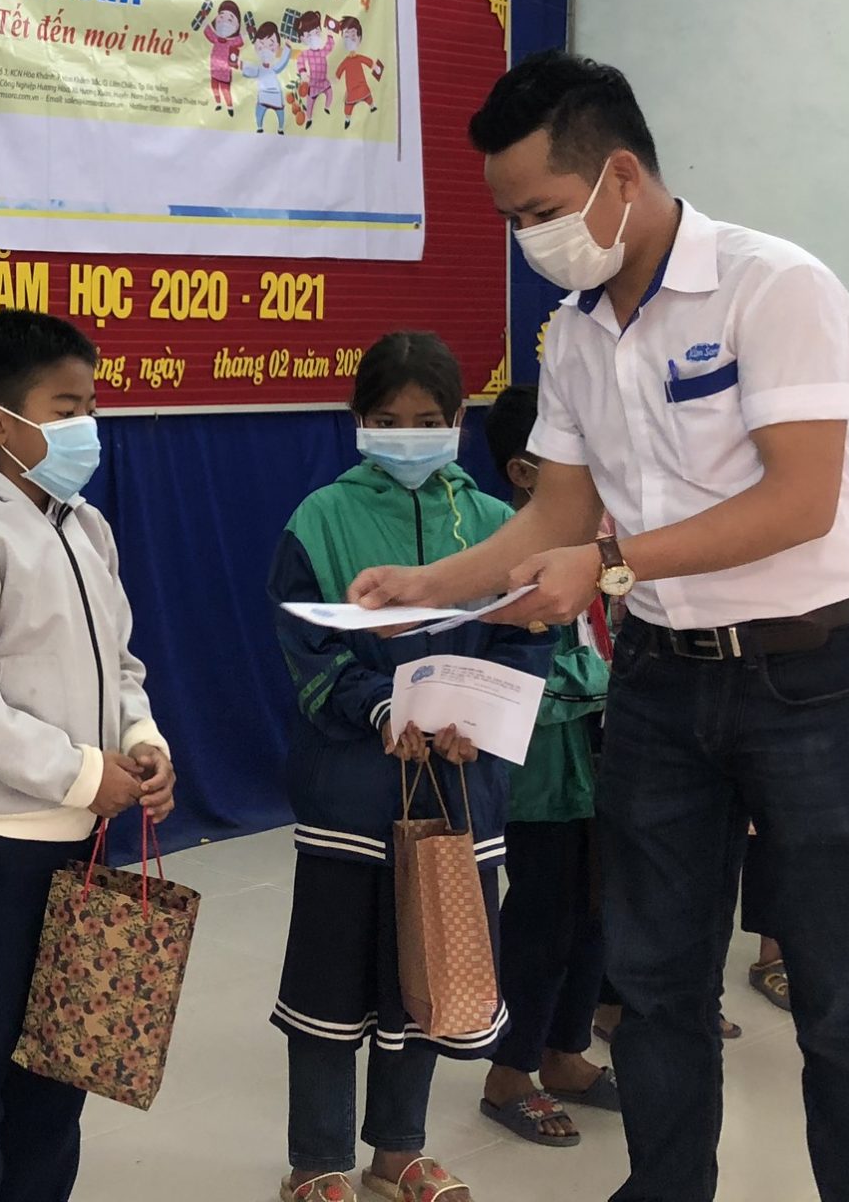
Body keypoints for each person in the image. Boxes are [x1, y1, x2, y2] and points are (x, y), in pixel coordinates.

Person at [353, 51, 849, 1202]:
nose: (528, 238)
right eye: (509, 220)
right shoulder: (573, 334)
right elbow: (556, 509)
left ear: (619, 175)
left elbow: (799, 501)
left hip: (806, 675)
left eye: (540, 211)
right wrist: (432, 583)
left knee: (837, 993)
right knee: (654, 985)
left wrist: (607, 565)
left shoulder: (772, 287)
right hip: (658, 683)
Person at [269, 336, 552, 1202]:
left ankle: (399, 1152)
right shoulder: (319, 517)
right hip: (351, 794)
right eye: (388, 420)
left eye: (428, 421)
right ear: (358, 421)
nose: (409, 435)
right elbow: (306, 648)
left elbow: (527, 638)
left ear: (459, 419)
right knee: (329, 982)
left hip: (462, 790)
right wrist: (381, 708)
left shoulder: (500, 525)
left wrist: (480, 718)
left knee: (433, 969)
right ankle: (316, 1161)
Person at [0, 309, 176, 1202]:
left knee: (65, 1049)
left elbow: (121, 665)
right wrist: (82, 774)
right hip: (0, 844)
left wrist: (141, 742)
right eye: (67, 408)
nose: (88, 425)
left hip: (84, 834)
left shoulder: (86, 528)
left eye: (91, 405)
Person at [474, 383, 620, 1152]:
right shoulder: (506, 550)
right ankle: (511, 1069)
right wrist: (610, 680)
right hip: (540, 767)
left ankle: (566, 1051)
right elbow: (523, 667)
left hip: (601, 755)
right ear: (525, 472)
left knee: (596, 908)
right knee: (542, 917)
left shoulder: (595, 545)